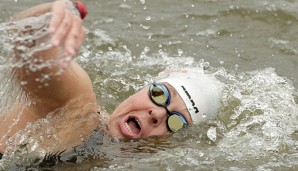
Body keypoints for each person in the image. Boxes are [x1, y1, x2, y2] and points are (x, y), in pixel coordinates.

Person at [0, 0, 222, 159]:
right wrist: (57, 17)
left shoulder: (111, 160)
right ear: (144, 88)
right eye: (159, 94)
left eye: (176, 122)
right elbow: (27, 49)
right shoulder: (78, 110)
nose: (158, 113)